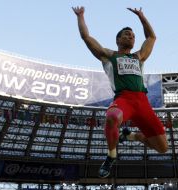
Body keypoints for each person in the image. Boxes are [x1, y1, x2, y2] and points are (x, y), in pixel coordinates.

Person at [72, 6, 168, 178]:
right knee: (111, 116)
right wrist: (81, 16)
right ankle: (111, 155)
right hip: (124, 99)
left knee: (163, 148)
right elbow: (86, 37)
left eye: (132, 35)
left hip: (142, 102)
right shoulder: (109, 56)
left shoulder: (139, 57)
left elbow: (151, 37)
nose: (131, 37)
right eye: (126, 34)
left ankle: (133, 137)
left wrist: (141, 16)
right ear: (118, 39)